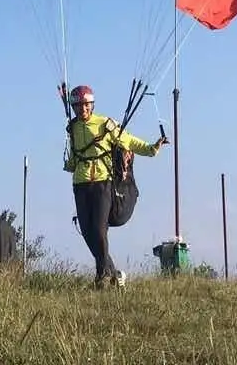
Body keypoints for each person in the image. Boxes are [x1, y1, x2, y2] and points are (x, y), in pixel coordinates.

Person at [63, 83, 168, 288]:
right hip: (80, 183)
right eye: (78, 106)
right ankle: (112, 273)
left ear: (91, 106)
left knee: (99, 230)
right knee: (87, 231)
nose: (82, 110)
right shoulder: (72, 127)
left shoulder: (105, 124)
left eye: (86, 105)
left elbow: (128, 141)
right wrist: (70, 163)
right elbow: (75, 156)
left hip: (103, 183)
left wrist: (152, 148)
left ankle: (102, 276)